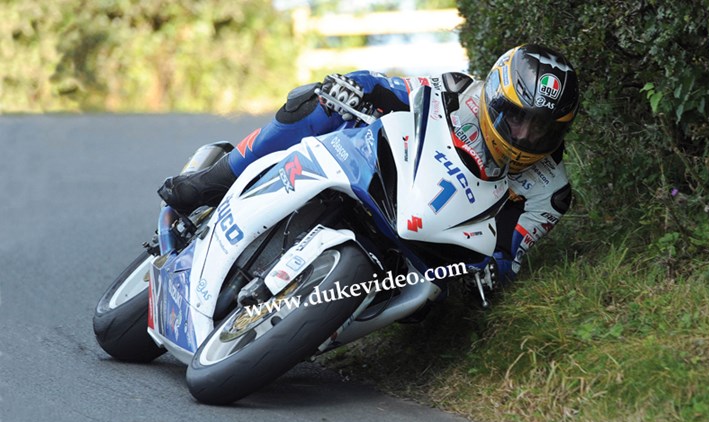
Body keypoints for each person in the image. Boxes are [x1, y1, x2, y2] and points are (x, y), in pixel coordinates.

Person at [158, 44, 579, 296]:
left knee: (432, 307)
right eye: (516, 117)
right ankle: (216, 180)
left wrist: (492, 272)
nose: (524, 135)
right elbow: (389, 89)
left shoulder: (551, 190)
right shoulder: (457, 92)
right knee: (313, 101)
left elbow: (512, 251)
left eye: (541, 129)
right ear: (493, 99)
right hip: (391, 177)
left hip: (435, 248)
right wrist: (351, 87)